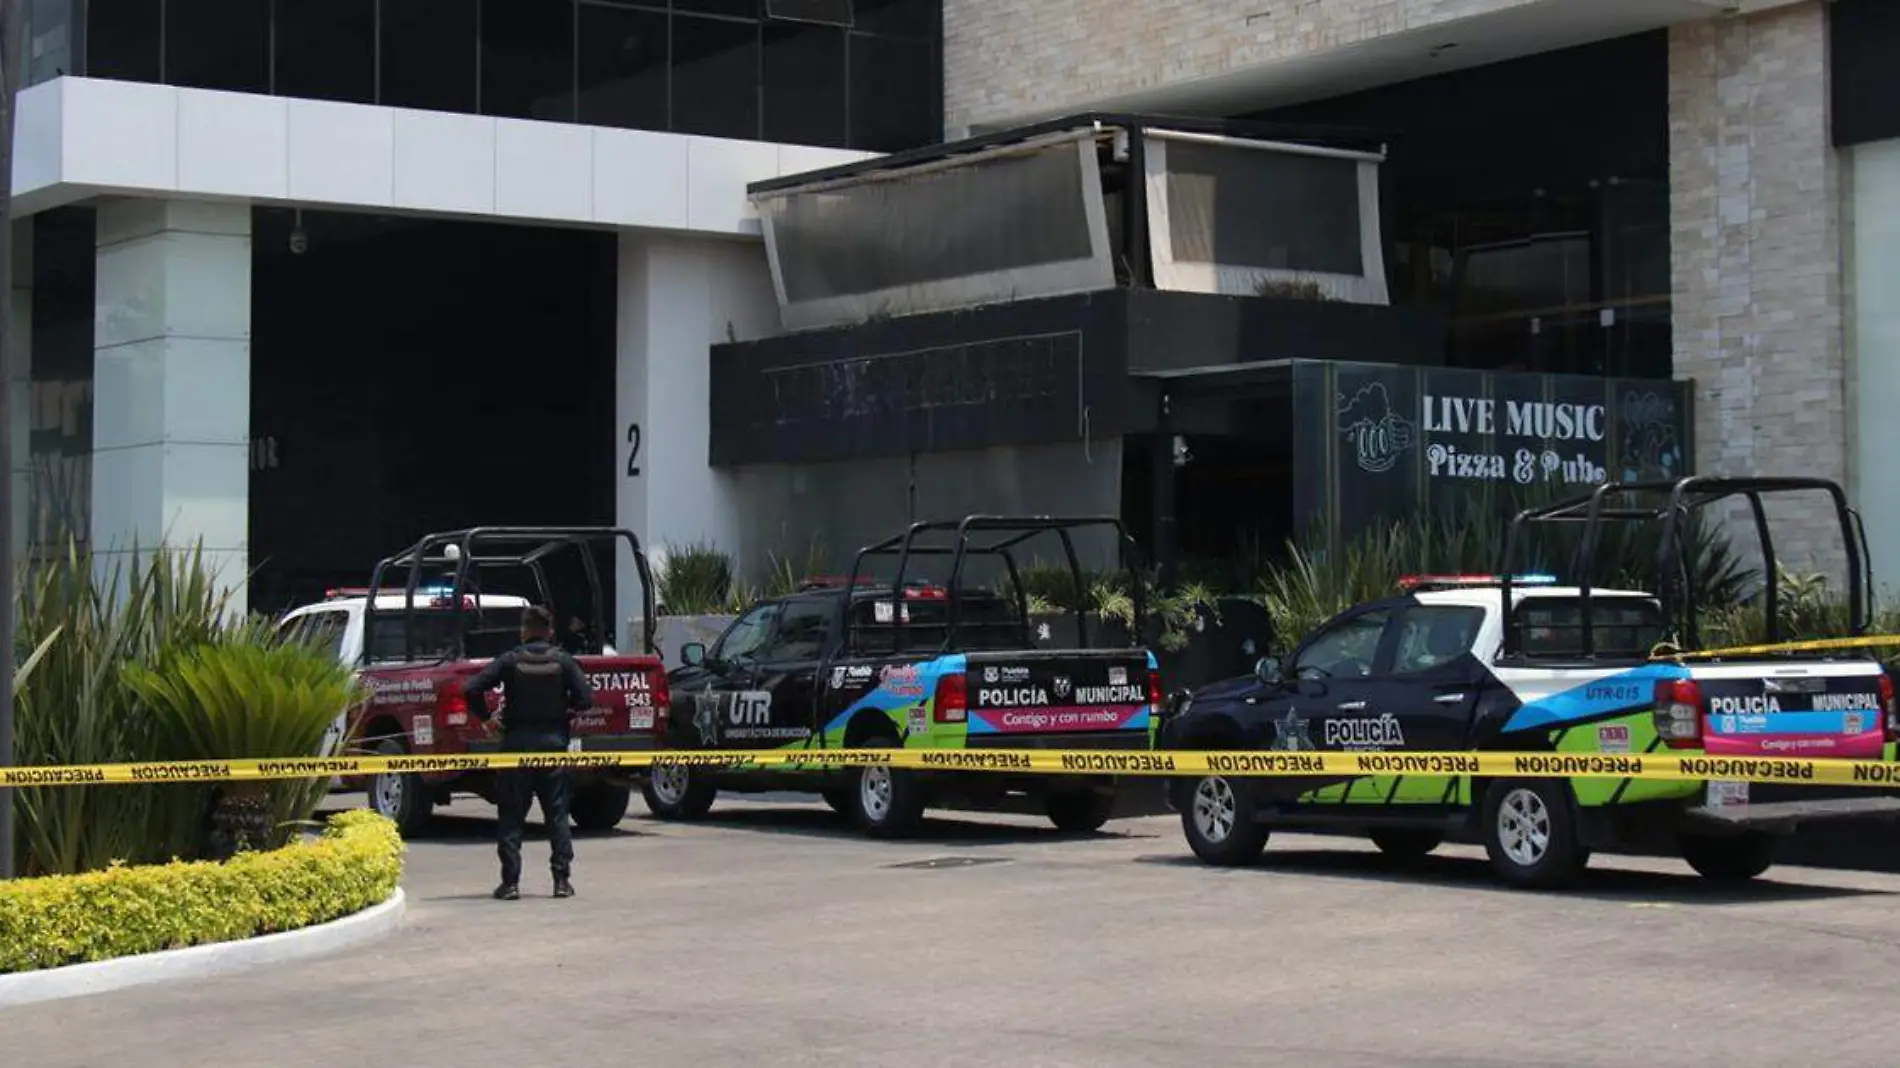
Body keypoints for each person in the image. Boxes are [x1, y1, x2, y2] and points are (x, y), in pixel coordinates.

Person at [463, 605, 595, 901]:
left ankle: (510, 883)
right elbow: (586, 699)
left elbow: (472, 688)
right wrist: (566, 713)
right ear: (549, 631)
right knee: (557, 814)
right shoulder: (563, 661)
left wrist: (486, 719)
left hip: (516, 747)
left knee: (511, 815)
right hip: (553, 746)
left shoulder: (510, 660)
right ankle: (561, 881)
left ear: (524, 629)